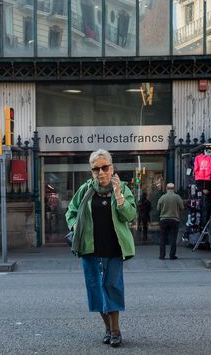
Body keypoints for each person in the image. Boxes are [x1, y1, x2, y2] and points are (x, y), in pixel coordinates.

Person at [66, 149, 136, 348]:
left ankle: (115, 331)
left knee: (112, 287)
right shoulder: (85, 190)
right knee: (96, 289)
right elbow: (70, 212)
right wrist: (74, 225)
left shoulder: (121, 188)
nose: (101, 172)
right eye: (96, 169)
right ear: (91, 171)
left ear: (112, 167)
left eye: (105, 167)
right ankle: (107, 328)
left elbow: (130, 216)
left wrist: (119, 196)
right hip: (89, 248)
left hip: (114, 248)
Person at [156, 183, 185, 259]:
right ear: (174, 188)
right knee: (173, 238)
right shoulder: (177, 197)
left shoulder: (162, 197)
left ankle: (162, 255)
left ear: (166, 188)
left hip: (164, 219)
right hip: (174, 220)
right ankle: (172, 255)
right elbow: (182, 207)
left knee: (163, 238)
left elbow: (158, 208)